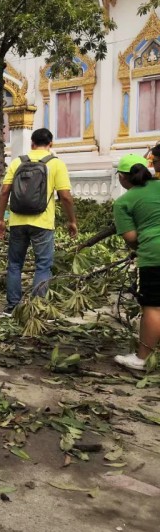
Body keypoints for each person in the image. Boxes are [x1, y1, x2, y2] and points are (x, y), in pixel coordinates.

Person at [0, 128, 77, 316]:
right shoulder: (56, 164)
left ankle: (12, 307)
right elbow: (65, 197)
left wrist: (0, 219)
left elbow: (4, 192)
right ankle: (37, 309)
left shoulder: (17, 162)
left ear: (32, 143)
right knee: (43, 265)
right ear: (51, 144)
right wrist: (71, 221)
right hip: (43, 223)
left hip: (17, 221)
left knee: (15, 264)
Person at [112, 154, 160, 371]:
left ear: (122, 177)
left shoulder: (123, 202)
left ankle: (142, 358)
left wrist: (139, 245)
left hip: (154, 254)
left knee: (153, 306)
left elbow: (131, 238)